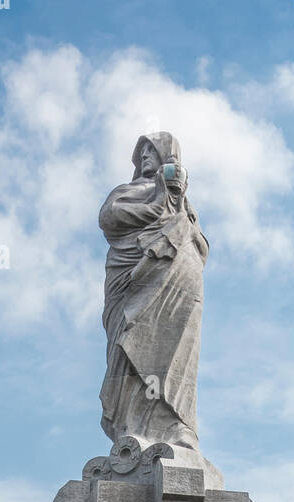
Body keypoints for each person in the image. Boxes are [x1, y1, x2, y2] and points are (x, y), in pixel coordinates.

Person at [99, 133, 208, 450]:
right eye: (141, 150)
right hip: (132, 280)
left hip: (178, 284)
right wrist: (158, 202)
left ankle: (176, 424)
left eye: (153, 149)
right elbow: (108, 218)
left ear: (168, 156)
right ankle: (132, 425)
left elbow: (201, 247)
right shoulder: (128, 192)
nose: (145, 154)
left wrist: (174, 202)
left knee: (177, 351)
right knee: (128, 346)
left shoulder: (185, 209)